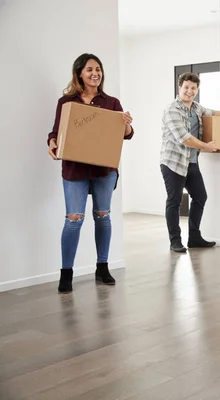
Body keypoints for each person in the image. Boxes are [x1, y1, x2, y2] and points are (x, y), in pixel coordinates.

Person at [47, 53, 135, 294]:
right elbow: (56, 132)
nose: (95, 73)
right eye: (89, 70)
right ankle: (66, 273)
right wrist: (52, 143)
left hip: (104, 169)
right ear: (79, 74)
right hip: (75, 169)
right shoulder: (66, 103)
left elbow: (126, 134)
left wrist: (126, 123)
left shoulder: (112, 102)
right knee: (73, 219)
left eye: (98, 69)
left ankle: (102, 267)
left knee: (102, 216)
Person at [160, 72, 220, 253]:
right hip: (173, 162)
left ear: (197, 90)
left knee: (200, 197)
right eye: (186, 87)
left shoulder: (196, 108)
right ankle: (175, 241)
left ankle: (195, 237)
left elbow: (213, 112)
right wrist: (206, 146)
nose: (189, 91)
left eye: (193, 88)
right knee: (174, 201)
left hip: (191, 162)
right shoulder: (172, 110)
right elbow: (184, 138)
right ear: (179, 88)